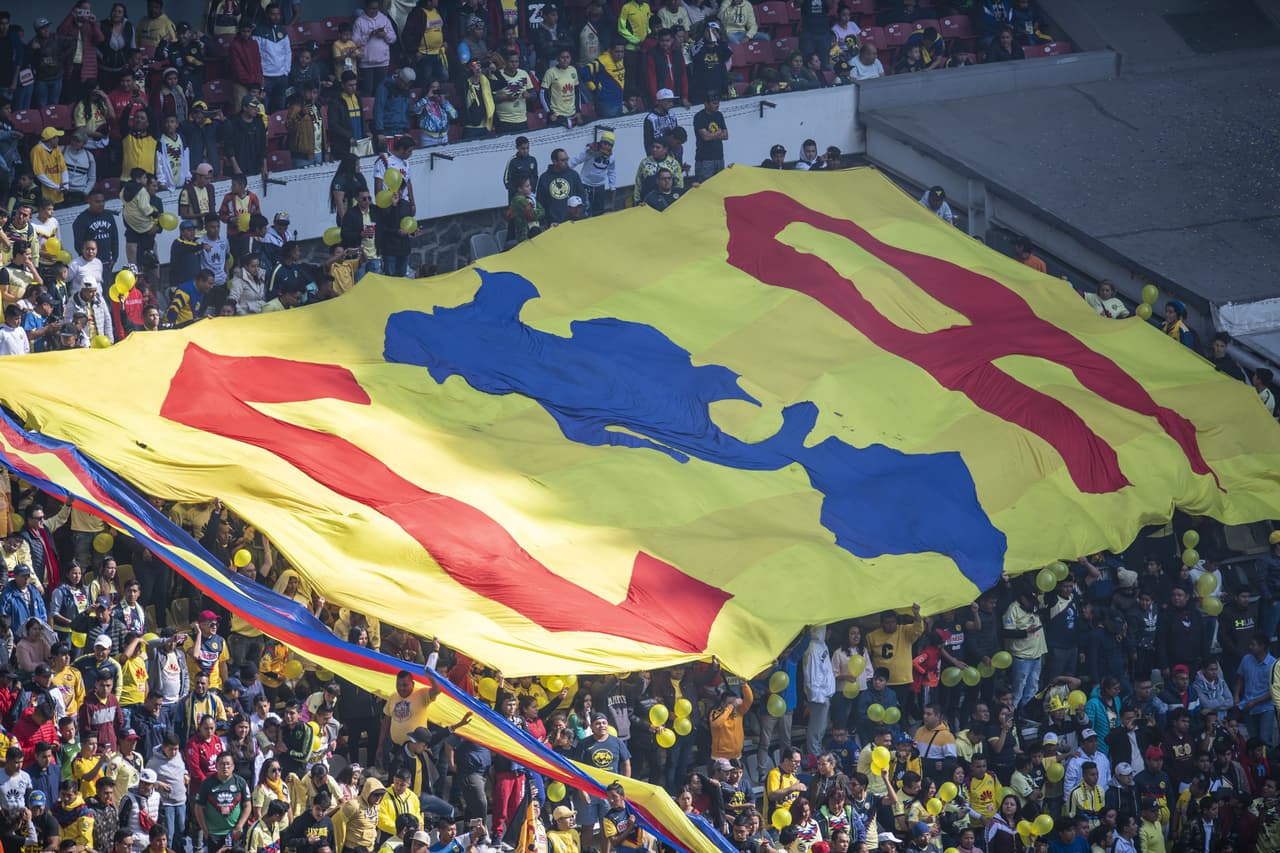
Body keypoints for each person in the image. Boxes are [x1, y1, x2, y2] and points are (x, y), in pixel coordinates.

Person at [354, 0, 397, 98]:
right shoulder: (359, 21)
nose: (374, 11)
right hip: (366, 63)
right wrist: (368, 36)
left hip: (382, 62)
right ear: (366, 8)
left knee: (380, 91)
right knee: (367, 91)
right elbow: (354, 43)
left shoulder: (384, 19)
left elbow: (393, 39)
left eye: (376, 8)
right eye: (372, 9)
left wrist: (384, 35)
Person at [537, 149, 585, 226]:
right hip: (554, 223)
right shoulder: (544, 178)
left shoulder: (573, 175)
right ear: (554, 161)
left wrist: (579, 215)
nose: (566, 162)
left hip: (573, 222)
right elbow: (541, 202)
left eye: (567, 159)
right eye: (562, 160)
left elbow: (582, 196)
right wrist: (545, 222)